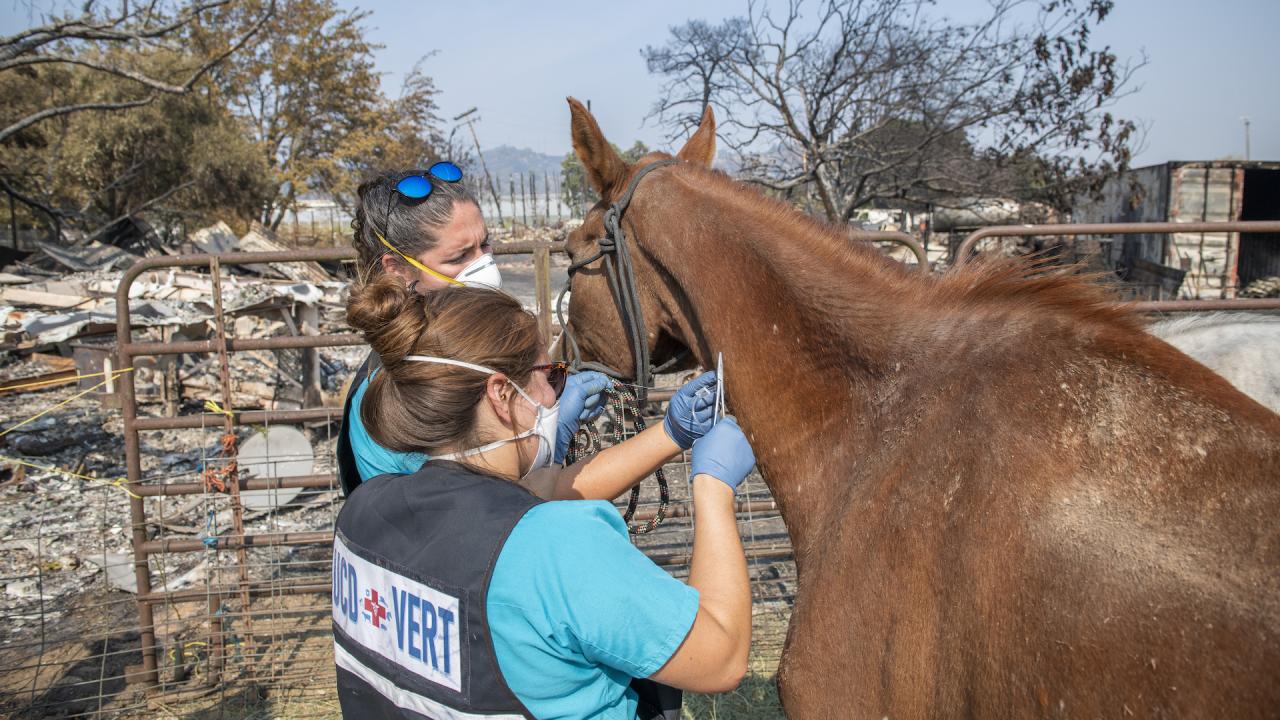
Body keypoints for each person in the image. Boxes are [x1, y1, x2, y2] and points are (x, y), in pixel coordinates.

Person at [333, 276, 757, 720]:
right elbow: (722, 659)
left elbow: (521, 503)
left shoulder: (362, 512)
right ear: (501, 394)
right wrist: (712, 487)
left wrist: (671, 435)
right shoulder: (557, 547)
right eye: (550, 375)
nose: (557, 391)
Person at [337, 164, 612, 494]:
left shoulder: (456, 351)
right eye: (459, 257)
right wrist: (551, 437)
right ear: (397, 270)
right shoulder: (405, 382)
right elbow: (486, 504)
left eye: (485, 245)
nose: (485, 267)